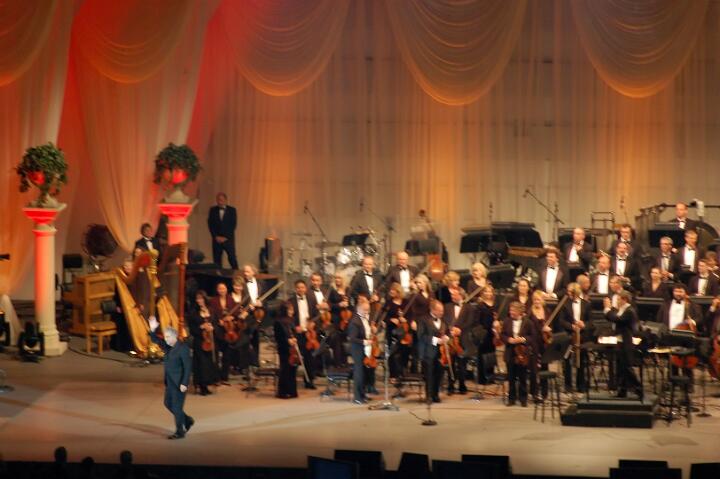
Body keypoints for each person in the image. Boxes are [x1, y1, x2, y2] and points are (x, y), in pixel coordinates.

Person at [149, 318, 194, 439]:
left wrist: (184, 383)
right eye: (165, 337)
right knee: (168, 403)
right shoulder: (168, 347)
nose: (166, 339)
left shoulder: (183, 348)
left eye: (168, 337)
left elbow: (188, 367)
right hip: (170, 382)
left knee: (176, 407)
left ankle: (180, 431)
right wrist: (152, 329)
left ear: (175, 336)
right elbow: (156, 340)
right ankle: (187, 420)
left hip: (179, 383)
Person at [603, 292, 642, 399]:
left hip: (627, 342)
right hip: (621, 341)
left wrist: (607, 309)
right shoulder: (622, 309)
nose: (617, 301)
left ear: (624, 299)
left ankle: (639, 388)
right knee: (621, 367)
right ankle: (622, 391)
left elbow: (618, 319)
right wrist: (608, 310)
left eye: (618, 299)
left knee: (627, 367)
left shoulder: (629, 311)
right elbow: (612, 318)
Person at [557, 283, 590, 393]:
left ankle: (581, 385)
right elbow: (561, 320)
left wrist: (583, 325)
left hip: (582, 335)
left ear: (575, 292)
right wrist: (571, 326)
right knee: (567, 360)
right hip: (569, 335)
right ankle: (568, 386)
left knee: (581, 360)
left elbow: (591, 321)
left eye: (570, 292)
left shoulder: (586, 304)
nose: (568, 293)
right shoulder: (565, 304)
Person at [502, 301, 535, 407]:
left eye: (513, 310)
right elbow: (502, 335)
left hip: (523, 352)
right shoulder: (507, 321)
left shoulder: (528, 322)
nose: (511, 312)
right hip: (510, 351)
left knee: (522, 377)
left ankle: (523, 399)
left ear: (519, 311)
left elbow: (533, 336)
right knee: (511, 377)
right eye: (510, 310)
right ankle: (511, 399)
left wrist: (523, 339)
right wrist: (509, 340)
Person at [187, 290, 220, 395]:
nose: (199, 301)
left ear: (205, 299)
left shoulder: (211, 310)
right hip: (200, 341)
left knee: (210, 363)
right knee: (201, 363)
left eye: (201, 298)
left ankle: (207, 384)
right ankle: (201, 386)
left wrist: (212, 327)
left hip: (211, 340)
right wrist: (201, 327)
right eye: (197, 299)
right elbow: (192, 329)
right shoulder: (193, 313)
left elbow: (216, 323)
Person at [417, 300, 449, 403]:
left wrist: (447, 337)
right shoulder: (423, 320)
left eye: (442, 311)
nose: (442, 313)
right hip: (428, 352)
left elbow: (447, 332)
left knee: (439, 374)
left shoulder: (443, 321)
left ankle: (435, 395)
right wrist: (436, 340)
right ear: (432, 310)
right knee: (429, 375)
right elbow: (421, 335)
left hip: (441, 353)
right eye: (439, 311)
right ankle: (429, 396)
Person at [289, 279, 319, 389]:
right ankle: (291, 380)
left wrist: (313, 322)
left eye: (302, 287)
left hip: (309, 333)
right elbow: (289, 317)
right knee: (296, 356)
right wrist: (295, 327)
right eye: (298, 287)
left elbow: (317, 315)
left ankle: (309, 381)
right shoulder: (290, 301)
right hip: (297, 333)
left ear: (306, 288)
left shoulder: (312, 299)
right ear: (295, 289)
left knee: (309, 357)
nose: (300, 289)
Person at [347, 295, 374, 404]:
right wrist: (365, 342)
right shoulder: (355, 321)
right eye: (365, 310)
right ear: (359, 309)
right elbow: (352, 338)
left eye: (368, 310)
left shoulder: (365, 319)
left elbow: (366, 332)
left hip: (365, 349)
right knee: (359, 373)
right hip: (357, 350)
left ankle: (363, 394)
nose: (367, 312)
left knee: (365, 372)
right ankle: (357, 397)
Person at [274, 301, 299, 399]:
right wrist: (288, 341)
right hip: (284, 348)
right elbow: (278, 337)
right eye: (290, 309)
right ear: (285, 310)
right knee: (285, 369)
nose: (292, 311)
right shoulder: (278, 322)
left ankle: (292, 391)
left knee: (293, 369)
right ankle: (283, 392)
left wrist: (295, 338)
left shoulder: (291, 320)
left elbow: (293, 332)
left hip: (292, 348)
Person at [207, 192, 238, 269]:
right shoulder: (212, 210)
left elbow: (233, 225)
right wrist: (216, 236)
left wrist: (225, 237)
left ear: (226, 200)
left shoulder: (232, 210)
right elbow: (210, 225)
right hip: (217, 239)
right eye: (218, 200)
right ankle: (218, 275)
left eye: (221, 200)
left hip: (228, 239)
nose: (220, 202)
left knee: (232, 258)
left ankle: (237, 274)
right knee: (217, 260)